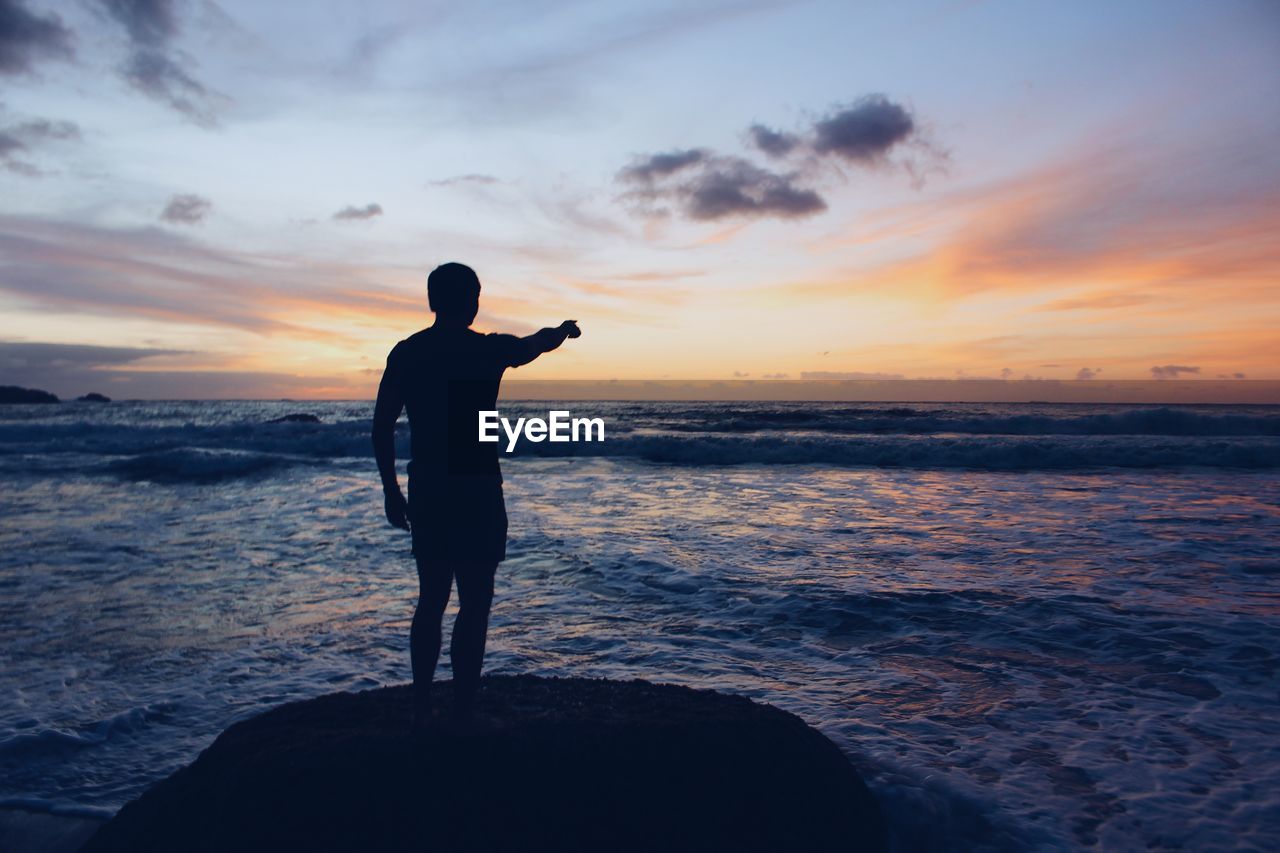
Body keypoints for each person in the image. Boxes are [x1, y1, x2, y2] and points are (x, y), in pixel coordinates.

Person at [371, 262, 580, 723]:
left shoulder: (408, 353)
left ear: (432, 301)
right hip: (478, 485)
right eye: (476, 293)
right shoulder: (487, 351)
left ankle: (422, 703)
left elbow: (382, 425)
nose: (478, 301)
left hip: (429, 485)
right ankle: (462, 707)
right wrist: (564, 330)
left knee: (432, 598)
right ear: (466, 299)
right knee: (475, 601)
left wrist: (391, 489)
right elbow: (536, 343)